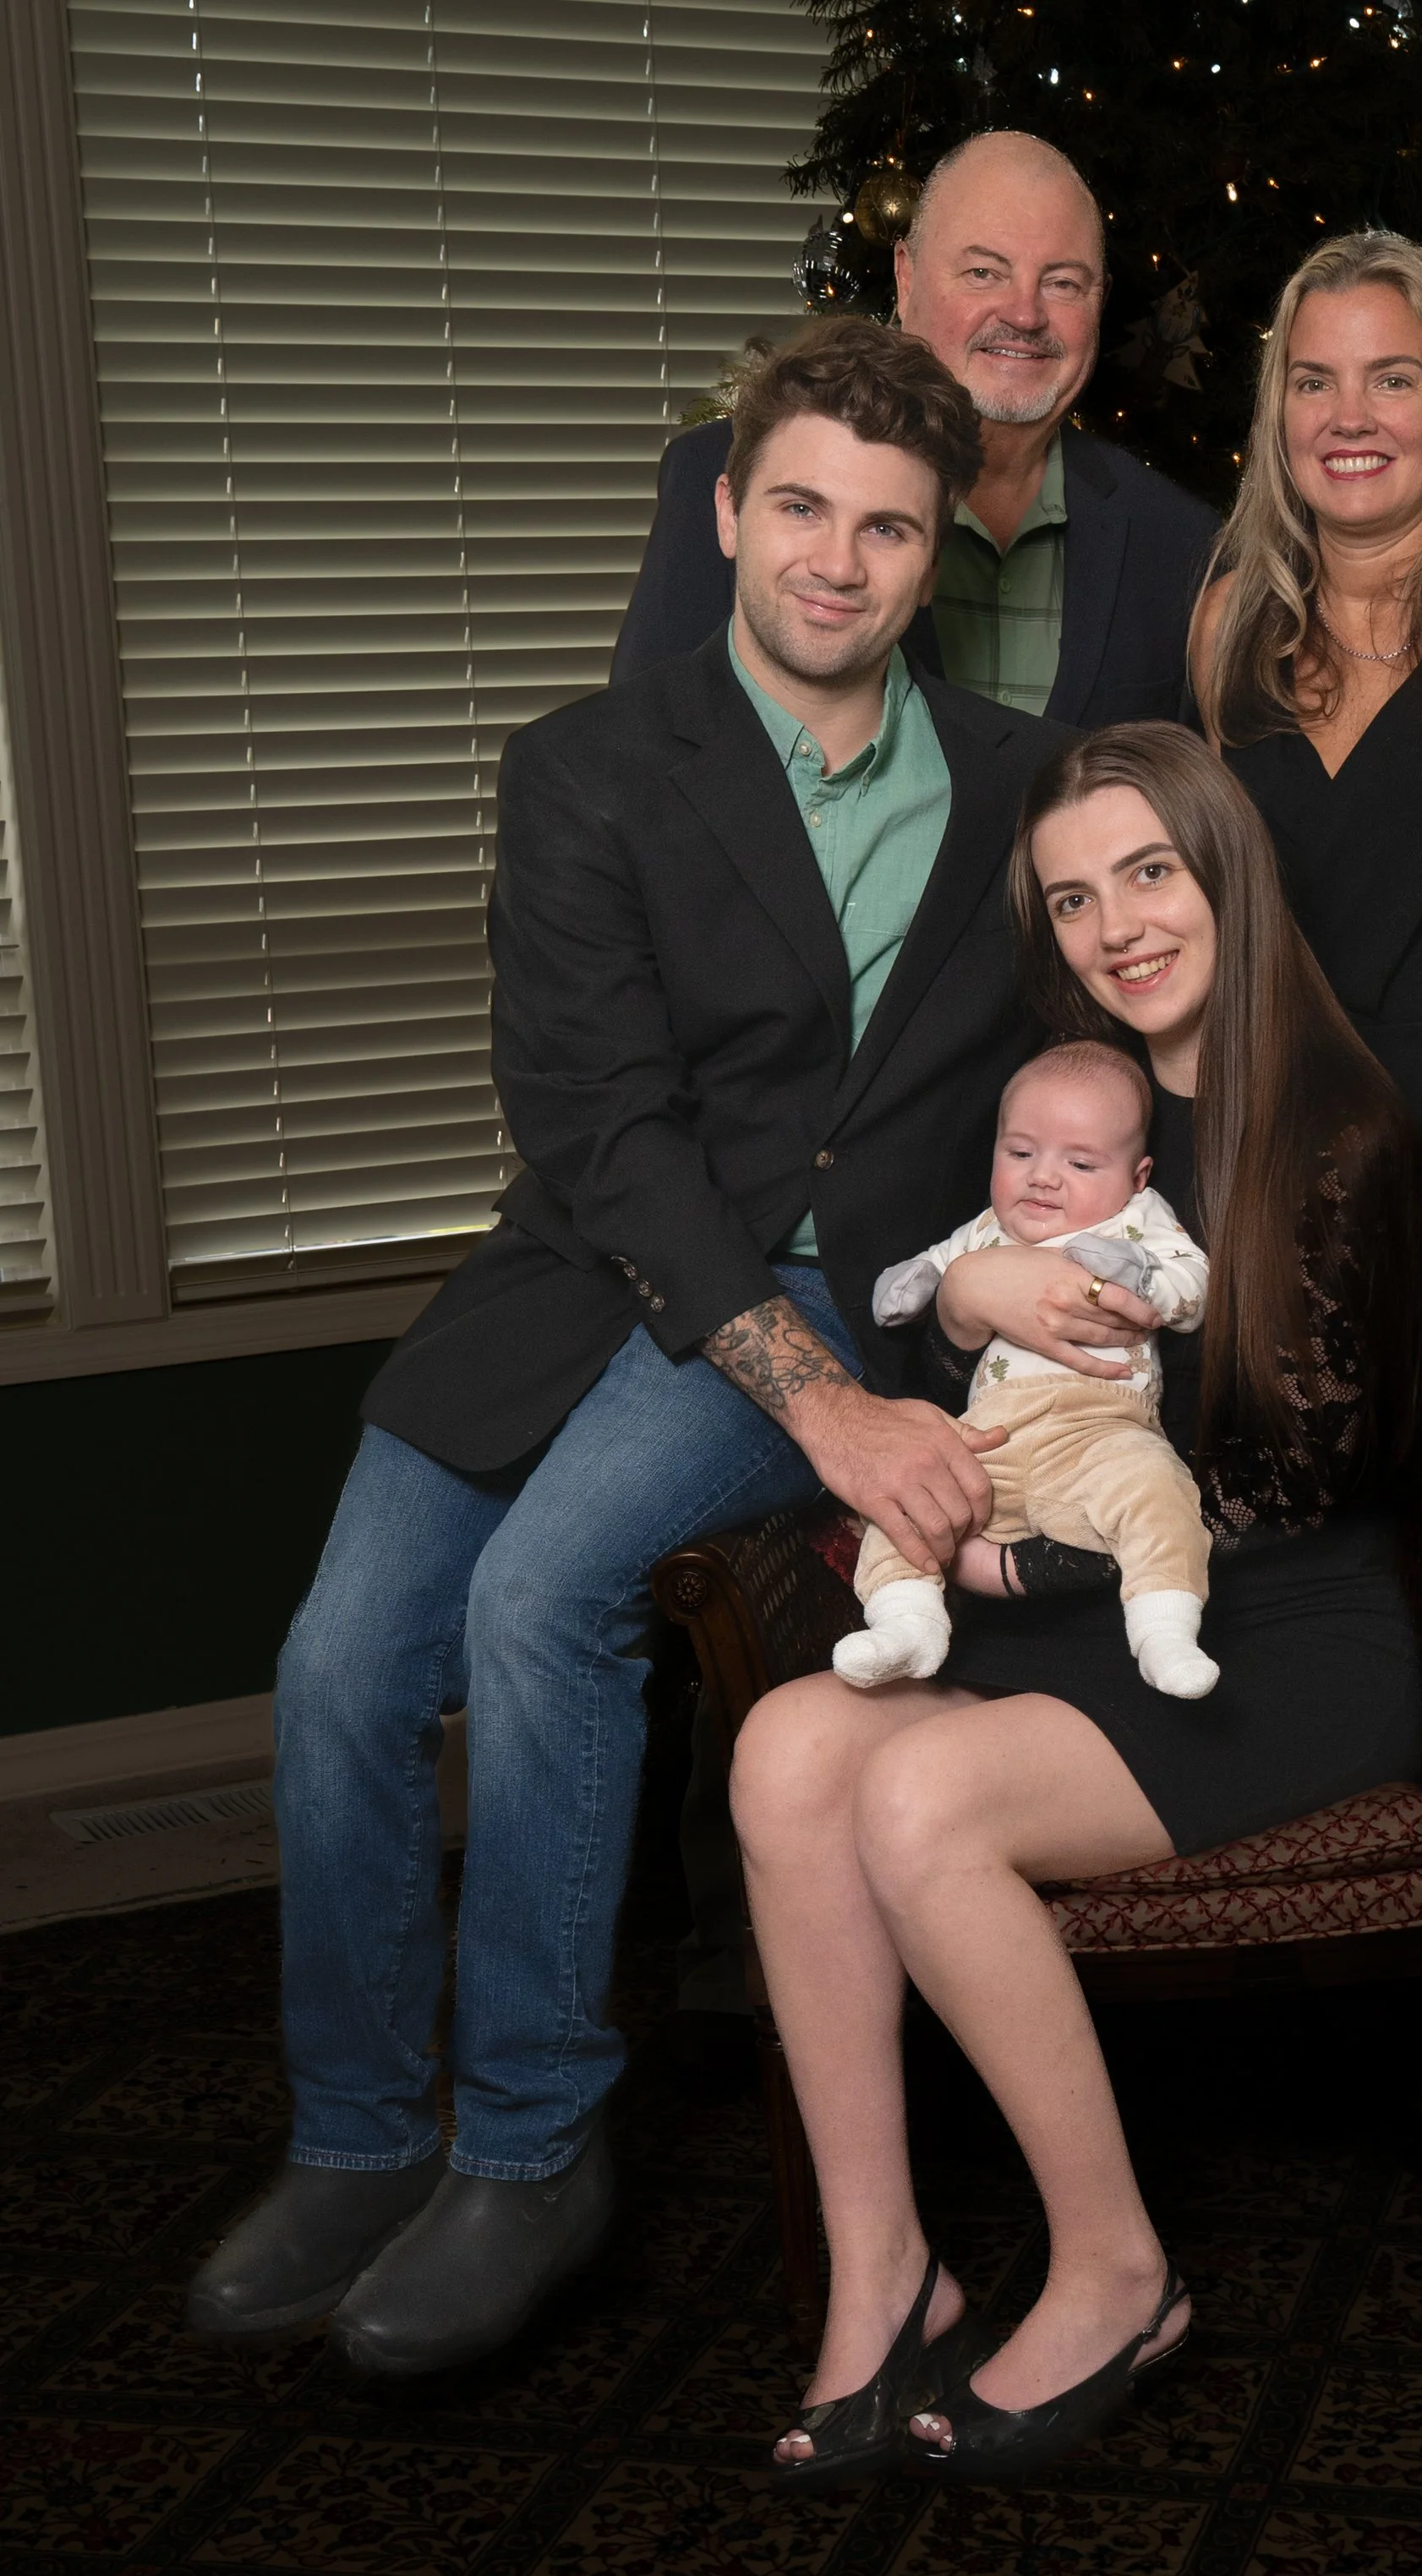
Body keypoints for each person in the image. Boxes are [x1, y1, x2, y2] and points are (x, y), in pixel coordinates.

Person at [183, 318, 1089, 2377]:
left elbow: (1112, 1012)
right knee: (337, 1665)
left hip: (847, 1296)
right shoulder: (586, 765)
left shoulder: (1019, 783)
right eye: (801, 510)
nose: (836, 561)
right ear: (730, 512)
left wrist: (979, 1313)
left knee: (537, 1604)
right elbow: (602, 1128)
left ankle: (529, 2144)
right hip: (591, 1274)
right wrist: (822, 1409)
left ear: (935, 554)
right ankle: (355, 2132)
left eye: (885, 528)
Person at [729, 720, 1422, 2489]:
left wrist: (1006, 1563)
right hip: (1065, 1612)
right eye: (1071, 896)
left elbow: (1291, 1486)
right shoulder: (1059, 1105)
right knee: (785, 1750)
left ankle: (1118, 2266)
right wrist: (974, 1303)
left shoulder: (1334, 1124)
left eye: (1148, 871)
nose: (1117, 924)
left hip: (1275, 1625)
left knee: (918, 1794)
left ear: (1221, 870)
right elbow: (924, 1341)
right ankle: (888, 2267)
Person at [613, 130, 1217, 728]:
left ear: (1099, 300)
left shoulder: (1181, 542)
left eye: (1063, 283)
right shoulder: (735, 478)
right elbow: (642, 753)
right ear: (905, 276)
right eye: (983, 272)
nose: (1025, 314)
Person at [1190, 232, 1422, 1157]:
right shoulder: (1225, 624)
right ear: (1280, 418)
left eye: (1391, 380)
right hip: (1271, 1141)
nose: (1349, 418)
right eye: (1314, 382)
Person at [836, 1039, 1217, 1699]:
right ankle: (906, 1620)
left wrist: (1145, 1278)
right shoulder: (989, 1229)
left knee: (1157, 1490)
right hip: (994, 1433)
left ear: (1137, 1177)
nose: (1044, 1177)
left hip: (1102, 1432)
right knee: (913, 1492)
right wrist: (921, 1279)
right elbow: (941, 1260)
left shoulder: (1139, 1222)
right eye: (1020, 1154)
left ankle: (1164, 1628)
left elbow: (1193, 1284)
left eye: (1080, 1162)